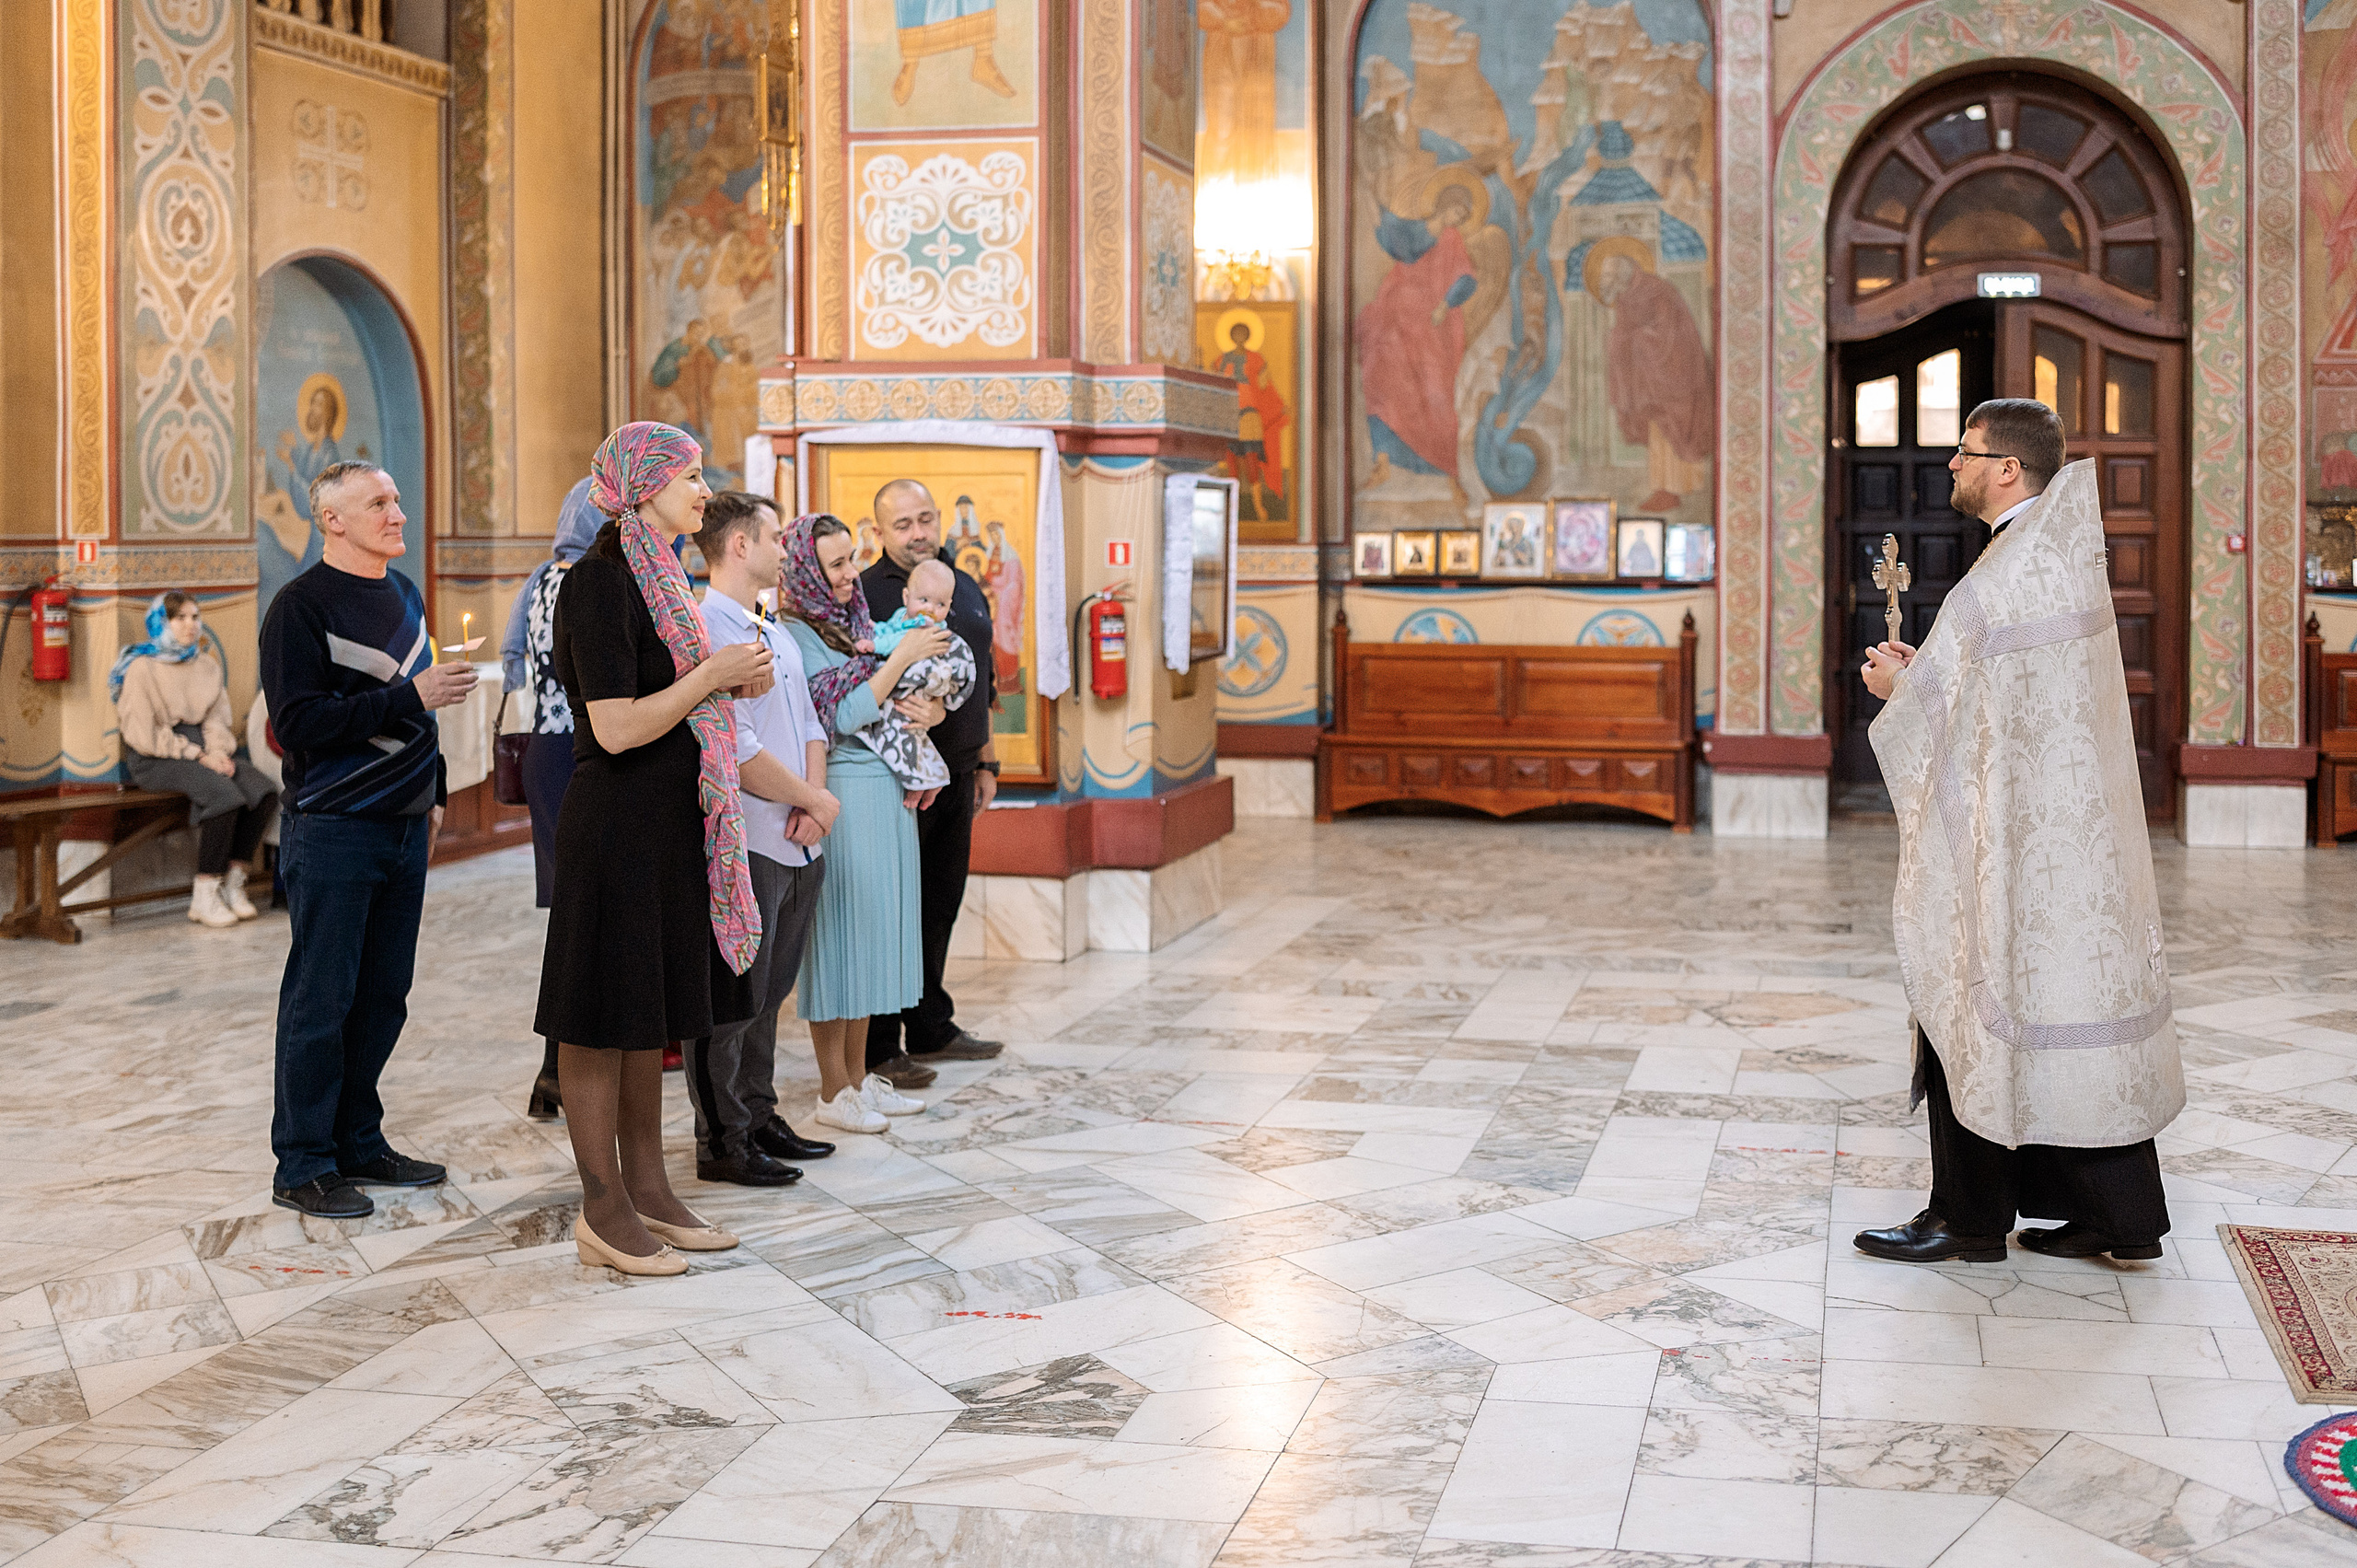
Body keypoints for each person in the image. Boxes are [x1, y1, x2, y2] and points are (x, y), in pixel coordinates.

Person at [1854, 400, 2183, 1266]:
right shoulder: (2045, 559)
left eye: (1965, 453)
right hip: (2060, 839)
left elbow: (1969, 707)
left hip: (2013, 844)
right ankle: (2121, 1217)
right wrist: (1929, 673)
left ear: (2008, 468)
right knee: (2063, 1011)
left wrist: (1899, 690)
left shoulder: (2008, 575)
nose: (1951, 465)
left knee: (1962, 998)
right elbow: (2001, 699)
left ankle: (1967, 1219)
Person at [534, 422, 772, 1275]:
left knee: (642, 1019)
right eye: (689, 474)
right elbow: (617, 723)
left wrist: (734, 677)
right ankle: (602, 1209)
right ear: (642, 484)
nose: (704, 489)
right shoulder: (598, 581)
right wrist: (710, 677)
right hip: (615, 823)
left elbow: (680, 698)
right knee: (597, 1019)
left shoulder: (663, 574)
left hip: (668, 825)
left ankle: (650, 1189)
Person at [259, 460, 468, 1220]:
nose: (398, 511)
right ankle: (303, 1161)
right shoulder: (299, 607)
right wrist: (408, 697)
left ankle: (358, 1138)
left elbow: (425, 707)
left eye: (397, 496)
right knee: (323, 997)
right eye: (379, 501)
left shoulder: (404, 594)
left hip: (405, 826)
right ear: (333, 519)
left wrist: (435, 793)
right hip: (335, 826)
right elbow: (298, 723)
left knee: (384, 995)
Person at [686, 491, 842, 1186]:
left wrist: (812, 805)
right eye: (775, 536)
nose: (785, 548)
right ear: (740, 545)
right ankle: (722, 1136)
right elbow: (736, 750)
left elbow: (809, 720)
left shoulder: (768, 626)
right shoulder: (708, 627)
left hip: (796, 832)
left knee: (771, 988)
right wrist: (812, 798)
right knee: (733, 996)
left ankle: (757, 1108)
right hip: (747, 835)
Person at [781, 512, 954, 1134]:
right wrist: (903, 653)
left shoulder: (854, 624)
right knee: (840, 943)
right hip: (843, 791)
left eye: (851, 558)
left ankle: (857, 1078)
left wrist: (928, 709)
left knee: (874, 938)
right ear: (806, 569)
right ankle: (833, 1090)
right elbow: (846, 712)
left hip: (885, 789)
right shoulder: (796, 631)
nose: (851, 573)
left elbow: (906, 692)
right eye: (836, 563)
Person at [861, 480, 1007, 1083]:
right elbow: (863, 682)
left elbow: (985, 677)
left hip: (960, 769)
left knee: (941, 899)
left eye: (925, 518)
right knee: (895, 908)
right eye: (903, 524)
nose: (918, 531)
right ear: (880, 533)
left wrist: (987, 759)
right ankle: (879, 1042)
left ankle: (929, 1022)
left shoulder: (959, 582)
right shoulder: (868, 594)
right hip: (900, 779)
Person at [500, 476, 600, 1120]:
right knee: (583, 921)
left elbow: (515, 664)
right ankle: (561, 1068)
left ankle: (555, 1071)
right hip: (580, 755)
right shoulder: (586, 582)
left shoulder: (541, 577)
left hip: (549, 749)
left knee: (574, 919)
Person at [110, 593, 276, 928]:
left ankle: (232, 883)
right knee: (225, 798)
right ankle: (204, 894)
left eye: (195, 616)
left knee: (263, 791)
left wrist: (216, 751)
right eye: (180, 618)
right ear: (161, 623)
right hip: (157, 756)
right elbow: (143, 735)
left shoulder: (205, 664)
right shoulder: (141, 668)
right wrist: (199, 755)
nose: (190, 625)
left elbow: (216, 719)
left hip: (204, 752)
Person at [858, 558, 977, 793]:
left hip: (921, 688)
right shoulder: (902, 616)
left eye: (940, 604)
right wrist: (874, 629)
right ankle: (922, 781)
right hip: (897, 695)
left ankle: (920, 784)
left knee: (908, 735)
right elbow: (890, 629)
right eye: (923, 600)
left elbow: (902, 642)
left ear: (949, 605)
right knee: (900, 734)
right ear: (906, 598)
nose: (930, 609)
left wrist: (875, 644)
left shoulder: (929, 627)